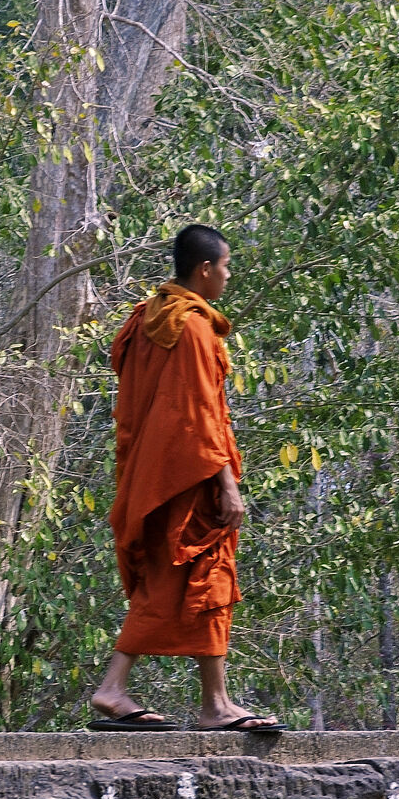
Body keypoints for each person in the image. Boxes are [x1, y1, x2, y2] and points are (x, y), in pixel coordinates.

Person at [90, 223, 281, 733]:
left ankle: (165, 695)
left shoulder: (144, 320)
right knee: (204, 578)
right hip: (189, 476)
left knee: (175, 580)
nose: (228, 274)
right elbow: (199, 413)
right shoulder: (192, 328)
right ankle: (205, 704)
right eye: (225, 266)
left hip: (152, 476)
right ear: (204, 269)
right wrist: (226, 483)